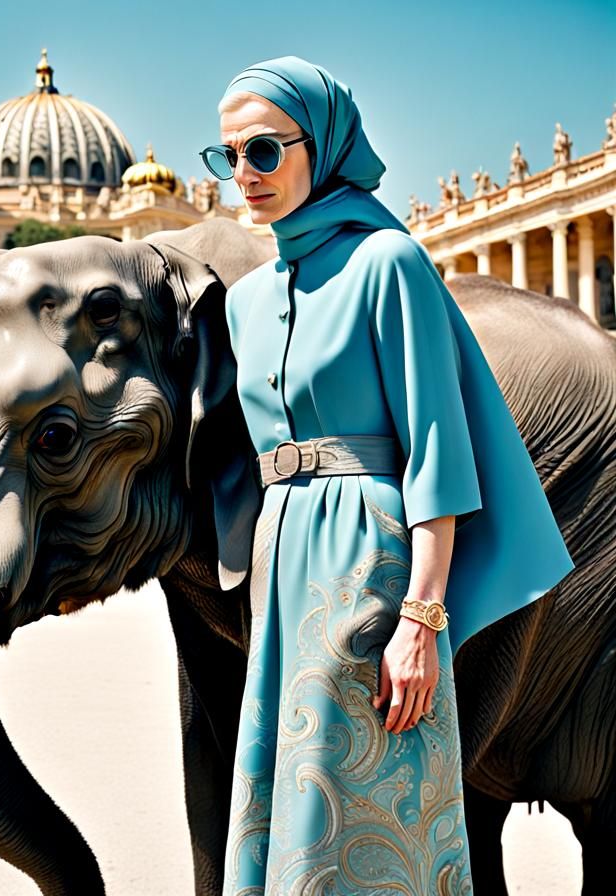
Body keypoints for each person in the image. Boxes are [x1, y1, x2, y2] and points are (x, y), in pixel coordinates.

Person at [198, 57, 572, 893]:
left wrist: (421, 620)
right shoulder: (245, 302)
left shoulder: (389, 262)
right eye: (229, 156)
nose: (245, 173)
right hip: (281, 557)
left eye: (265, 150)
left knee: (369, 788)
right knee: (287, 784)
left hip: (371, 555)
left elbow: (437, 451)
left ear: (323, 143)